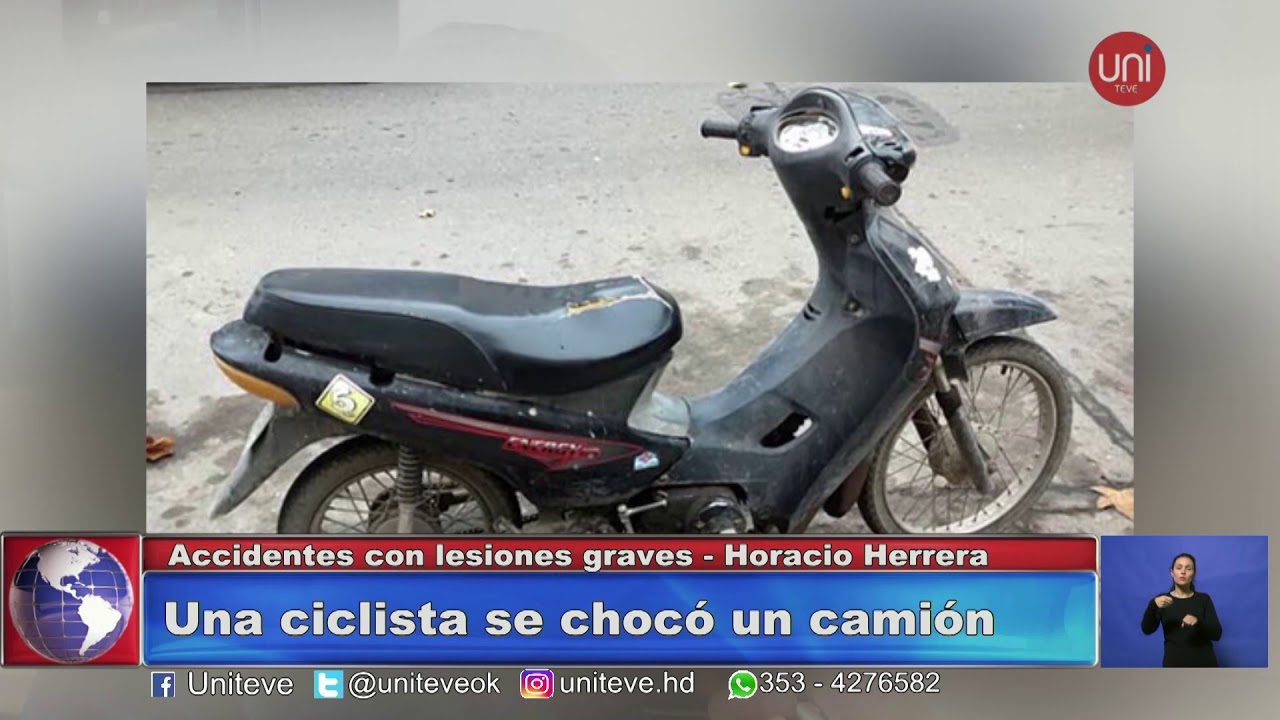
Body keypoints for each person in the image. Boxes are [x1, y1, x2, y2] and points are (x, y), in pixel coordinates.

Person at [1141, 552, 1223, 667]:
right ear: (1172, 572)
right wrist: (1152, 605)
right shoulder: (1162, 600)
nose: (1183, 572)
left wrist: (1198, 621)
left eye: (1188, 569)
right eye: (1179, 568)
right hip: (1173, 666)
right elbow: (1147, 629)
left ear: (1194, 573)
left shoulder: (1203, 599)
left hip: (1205, 665)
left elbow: (1217, 634)